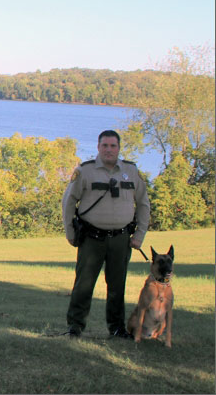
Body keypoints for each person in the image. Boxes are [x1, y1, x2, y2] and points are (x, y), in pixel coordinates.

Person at [63, 129, 150, 338]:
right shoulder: (85, 171)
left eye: (113, 146)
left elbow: (144, 203)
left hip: (121, 238)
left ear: (119, 148)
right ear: (98, 147)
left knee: (117, 286)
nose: (109, 150)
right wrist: (69, 231)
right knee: (83, 284)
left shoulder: (131, 171)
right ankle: (75, 326)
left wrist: (139, 235)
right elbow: (68, 201)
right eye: (105, 146)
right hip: (91, 239)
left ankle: (117, 327)